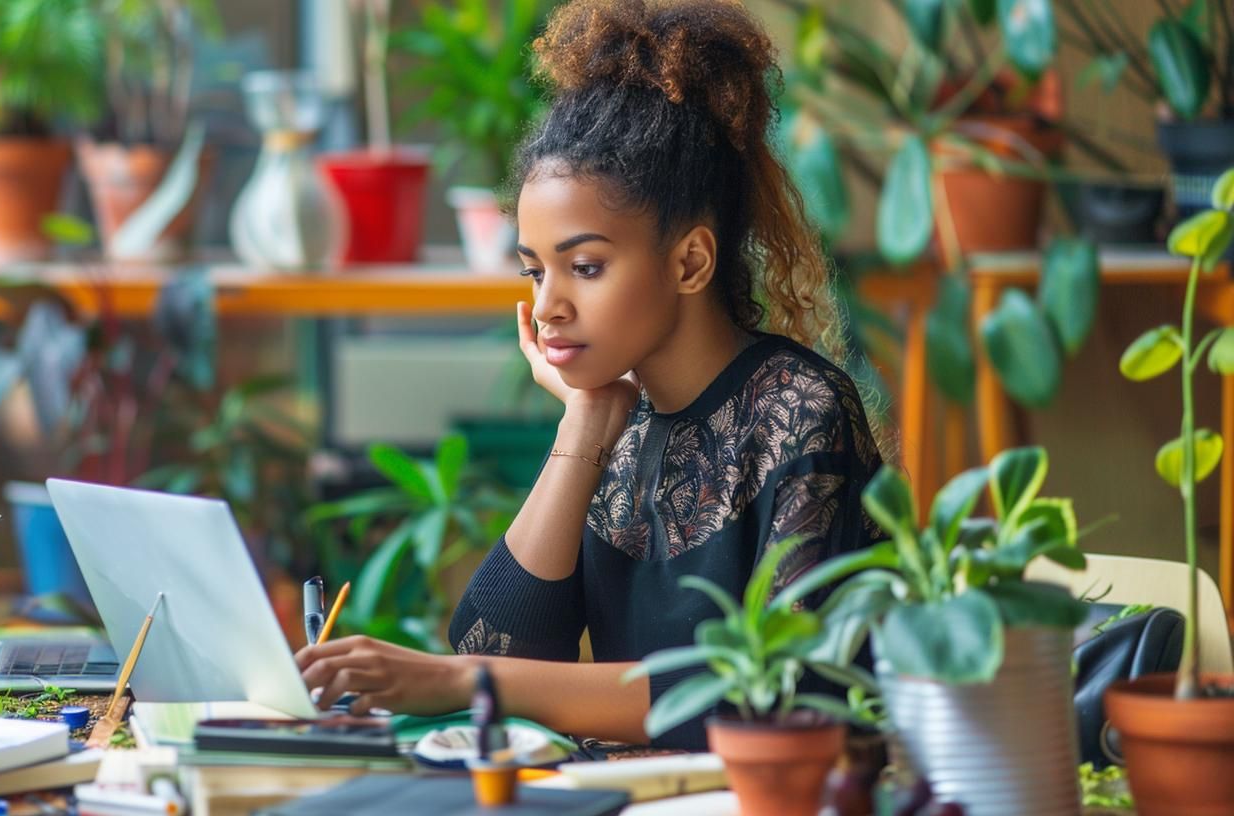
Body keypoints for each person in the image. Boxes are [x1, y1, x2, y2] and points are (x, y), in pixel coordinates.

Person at [295, 0, 884, 750]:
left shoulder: (801, 411)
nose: (548, 307)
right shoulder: (620, 418)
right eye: (535, 272)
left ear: (690, 262)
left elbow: (785, 693)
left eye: (586, 267)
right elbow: (499, 644)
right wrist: (586, 424)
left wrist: (467, 683)